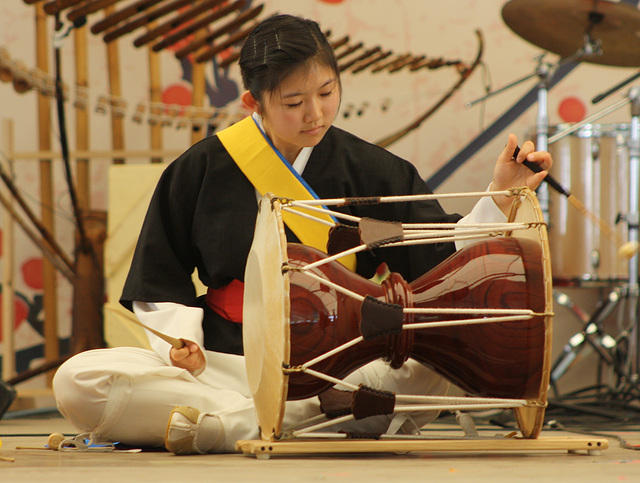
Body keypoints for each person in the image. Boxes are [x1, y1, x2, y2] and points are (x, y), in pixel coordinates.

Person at [52, 14, 552, 455]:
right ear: (254, 101)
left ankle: (227, 425)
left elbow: (440, 264)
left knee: (433, 369)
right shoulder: (201, 169)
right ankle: (295, 420)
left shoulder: (374, 171)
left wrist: (500, 194)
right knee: (79, 380)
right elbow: (159, 276)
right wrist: (181, 344)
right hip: (228, 359)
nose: (315, 113)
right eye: (294, 101)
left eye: (327, 93)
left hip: (346, 360)